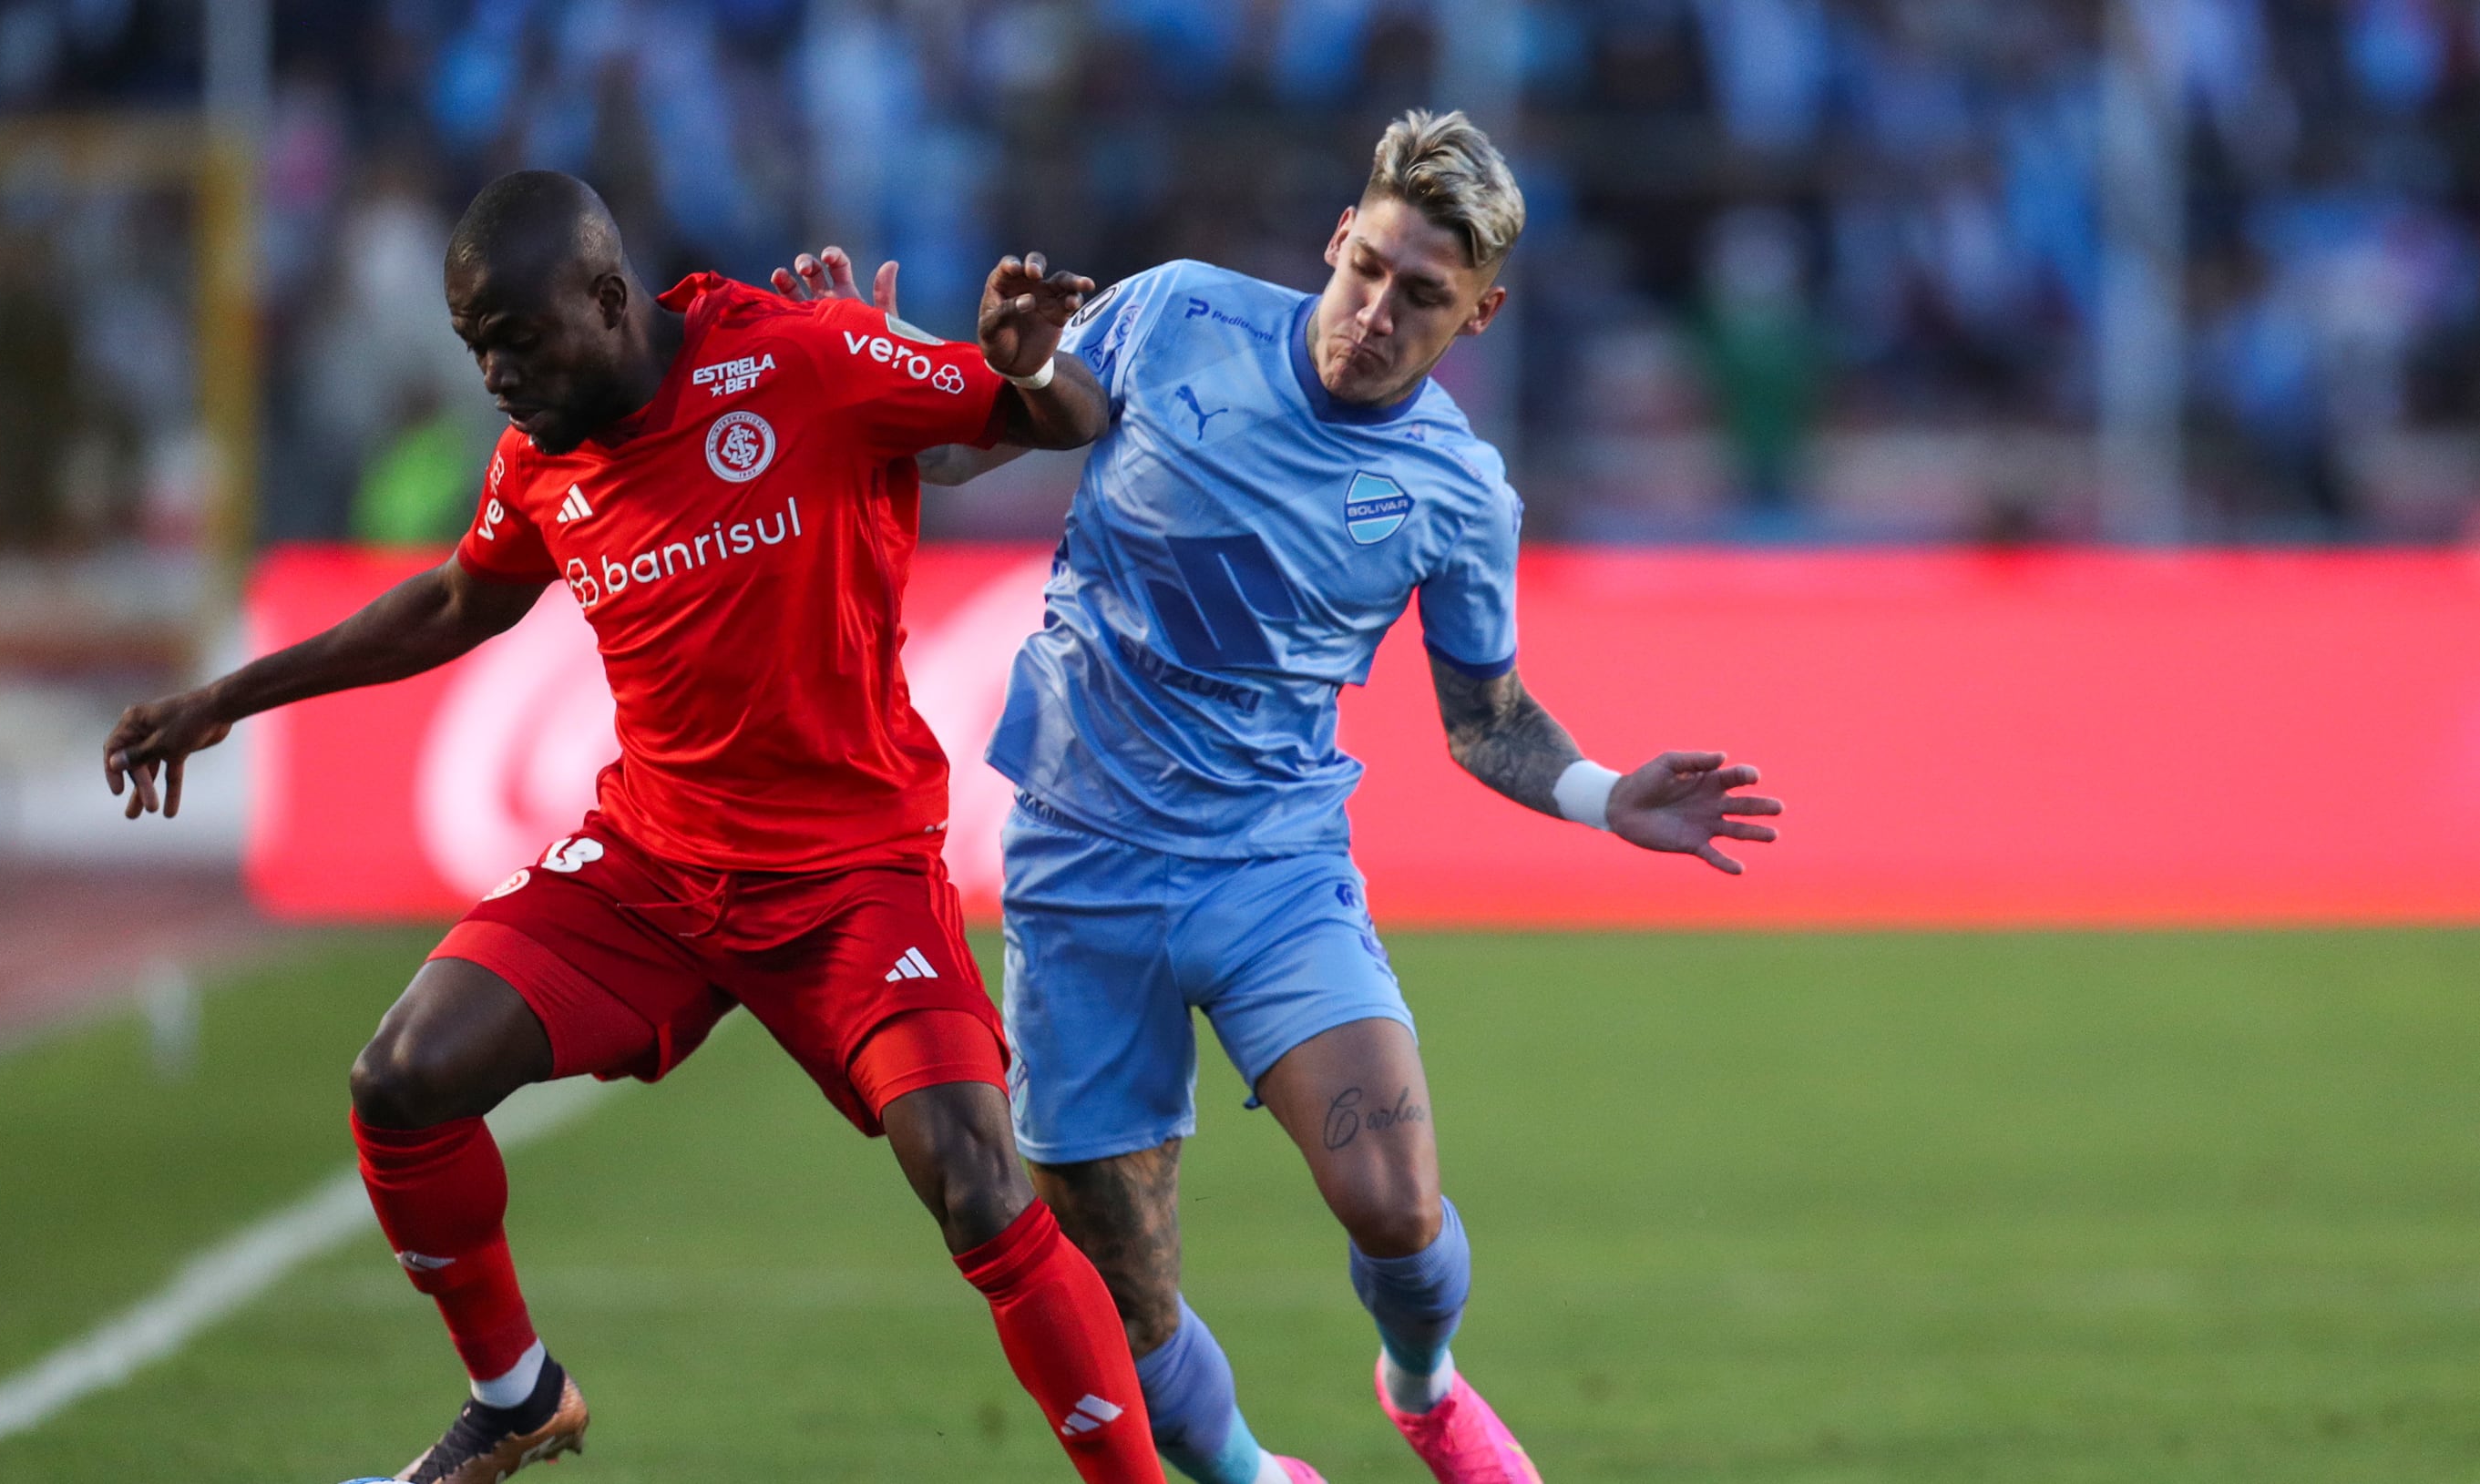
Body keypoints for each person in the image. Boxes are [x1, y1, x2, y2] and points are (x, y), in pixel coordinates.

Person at [101, 170, 1169, 1484]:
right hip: (653, 870)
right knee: (401, 1079)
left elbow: (1058, 415)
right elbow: (454, 604)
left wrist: (1036, 360)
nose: (494, 372)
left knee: (975, 1179)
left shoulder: (808, 360)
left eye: (515, 338)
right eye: (473, 345)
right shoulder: (539, 461)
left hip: (849, 881)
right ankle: (515, 1397)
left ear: (606, 299)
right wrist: (225, 697)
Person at [771, 110, 1783, 1484]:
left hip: (1270, 868)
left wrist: (1608, 796)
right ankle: (1255, 1476)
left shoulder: (1454, 492)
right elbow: (959, 451)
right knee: (1127, 1308)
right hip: (1078, 868)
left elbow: (1482, 720)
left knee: (1394, 1202)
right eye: (1367, 266)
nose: (1374, 311)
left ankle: (1419, 1385)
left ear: (1477, 314)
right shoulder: (1173, 313)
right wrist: (862, 379)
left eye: (1421, 295)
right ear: (1336, 238)